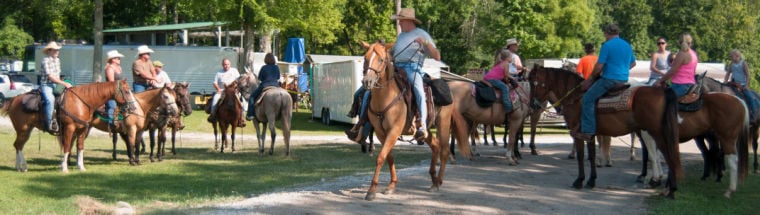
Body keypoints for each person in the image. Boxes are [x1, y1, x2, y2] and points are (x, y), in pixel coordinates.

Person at [575, 24, 636, 141]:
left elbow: (599, 67)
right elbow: (633, 63)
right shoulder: (627, 45)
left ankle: (588, 131)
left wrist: (590, 79)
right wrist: (622, 71)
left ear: (607, 33)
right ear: (618, 33)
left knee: (587, 99)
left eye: (605, 34)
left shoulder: (607, 46)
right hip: (623, 79)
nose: (605, 36)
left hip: (609, 80)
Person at [390, 8, 441, 140]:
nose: (399, 24)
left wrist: (424, 43)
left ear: (408, 21)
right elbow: (392, 55)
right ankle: (362, 126)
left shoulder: (421, 34)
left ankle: (422, 125)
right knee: (374, 87)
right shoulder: (400, 36)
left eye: (400, 21)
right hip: (395, 68)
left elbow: (437, 56)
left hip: (411, 68)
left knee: (418, 90)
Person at [39, 41, 72, 134]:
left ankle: (65, 119)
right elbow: (50, 77)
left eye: (58, 50)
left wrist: (64, 83)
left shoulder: (57, 60)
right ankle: (49, 124)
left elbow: (57, 76)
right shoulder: (46, 60)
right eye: (55, 50)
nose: (57, 51)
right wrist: (64, 83)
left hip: (57, 84)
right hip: (47, 84)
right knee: (50, 100)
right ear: (49, 51)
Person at [655, 33, 696, 98]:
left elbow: (672, 71)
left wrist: (660, 81)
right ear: (690, 42)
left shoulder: (682, 54)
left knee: (662, 99)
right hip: (690, 84)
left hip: (680, 85)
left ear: (679, 42)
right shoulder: (693, 53)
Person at [208, 58, 244, 127]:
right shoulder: (219, 73)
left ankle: (241, 118)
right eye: (224, 64)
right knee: (215, 99)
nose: (226, 66)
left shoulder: (234, 71)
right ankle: (213, 115)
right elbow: (215, 83)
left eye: (227, 64)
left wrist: (237, 89)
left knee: (241, 101)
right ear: (222, 65)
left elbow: (239, 81)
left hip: (233, 91)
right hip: (222, 91)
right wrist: (218, 89)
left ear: (230, 64)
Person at [246, 53, 280, 121]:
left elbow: (260, 79)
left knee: (252, 97)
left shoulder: (264, 67)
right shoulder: (276, 67)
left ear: (266, 59)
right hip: (276, 86)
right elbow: (278, 77)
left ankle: (250, 114)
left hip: (265, 85)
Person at [104, 50, 126, 131]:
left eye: (119, 58)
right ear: (112, 59)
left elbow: (121, 80)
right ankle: (111, 123)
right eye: (117, 58)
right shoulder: (109, 68)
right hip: (111, 91)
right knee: (112, 106)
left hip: (120, 89)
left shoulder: (119, 68)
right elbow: (111, 83)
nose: (119, 59)